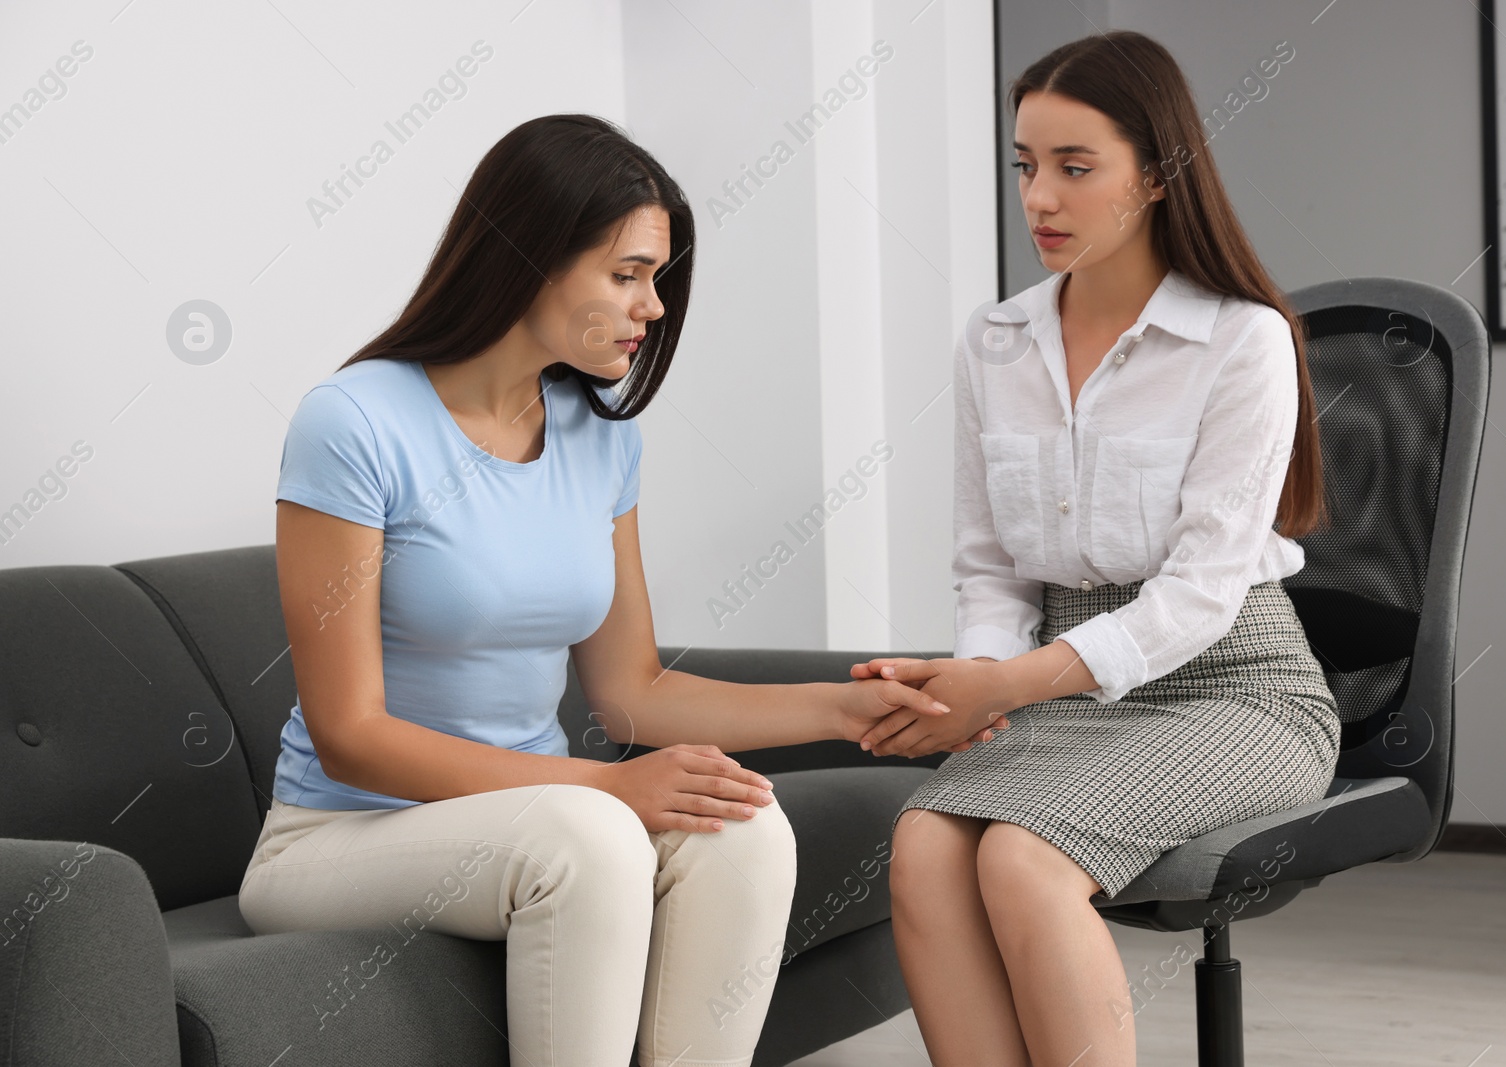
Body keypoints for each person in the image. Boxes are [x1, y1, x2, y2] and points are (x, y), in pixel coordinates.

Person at [236, 113, 1002, 1067]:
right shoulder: (352, 422)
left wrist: (852, 709)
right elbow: (351, 731)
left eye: (658, 280)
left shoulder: (600, 439)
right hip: (340, 837)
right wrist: (605, 783)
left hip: (547, 817)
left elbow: (634, 690)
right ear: (530, 257)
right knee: (593, 836)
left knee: (745, 826)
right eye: (628, 274)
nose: (654, 308)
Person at [849, 31, 1341, 1067]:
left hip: (1237, 685)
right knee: (927, 845)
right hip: (1057, 687)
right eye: (1026, 165)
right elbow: (990, 567)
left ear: (1157, 175)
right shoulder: (995, 340)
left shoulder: (1241, 338)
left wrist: (1006, 685)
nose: (1040, 197)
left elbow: (1203, 594)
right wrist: (974, 681)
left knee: (1025, 859)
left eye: (1076, 168)